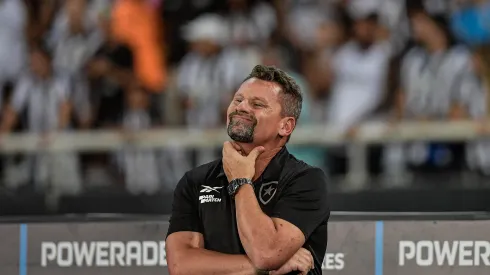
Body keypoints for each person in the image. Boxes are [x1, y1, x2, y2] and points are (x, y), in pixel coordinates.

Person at [165, 65, 330, 275]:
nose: (241, 108)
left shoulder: (306, 180)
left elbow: (266, 253)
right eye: (238, 100)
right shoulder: (196, 181)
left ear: (286, 126)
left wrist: (240, 181)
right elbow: (180, 266)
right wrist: (261, 268)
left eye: (257, 104)